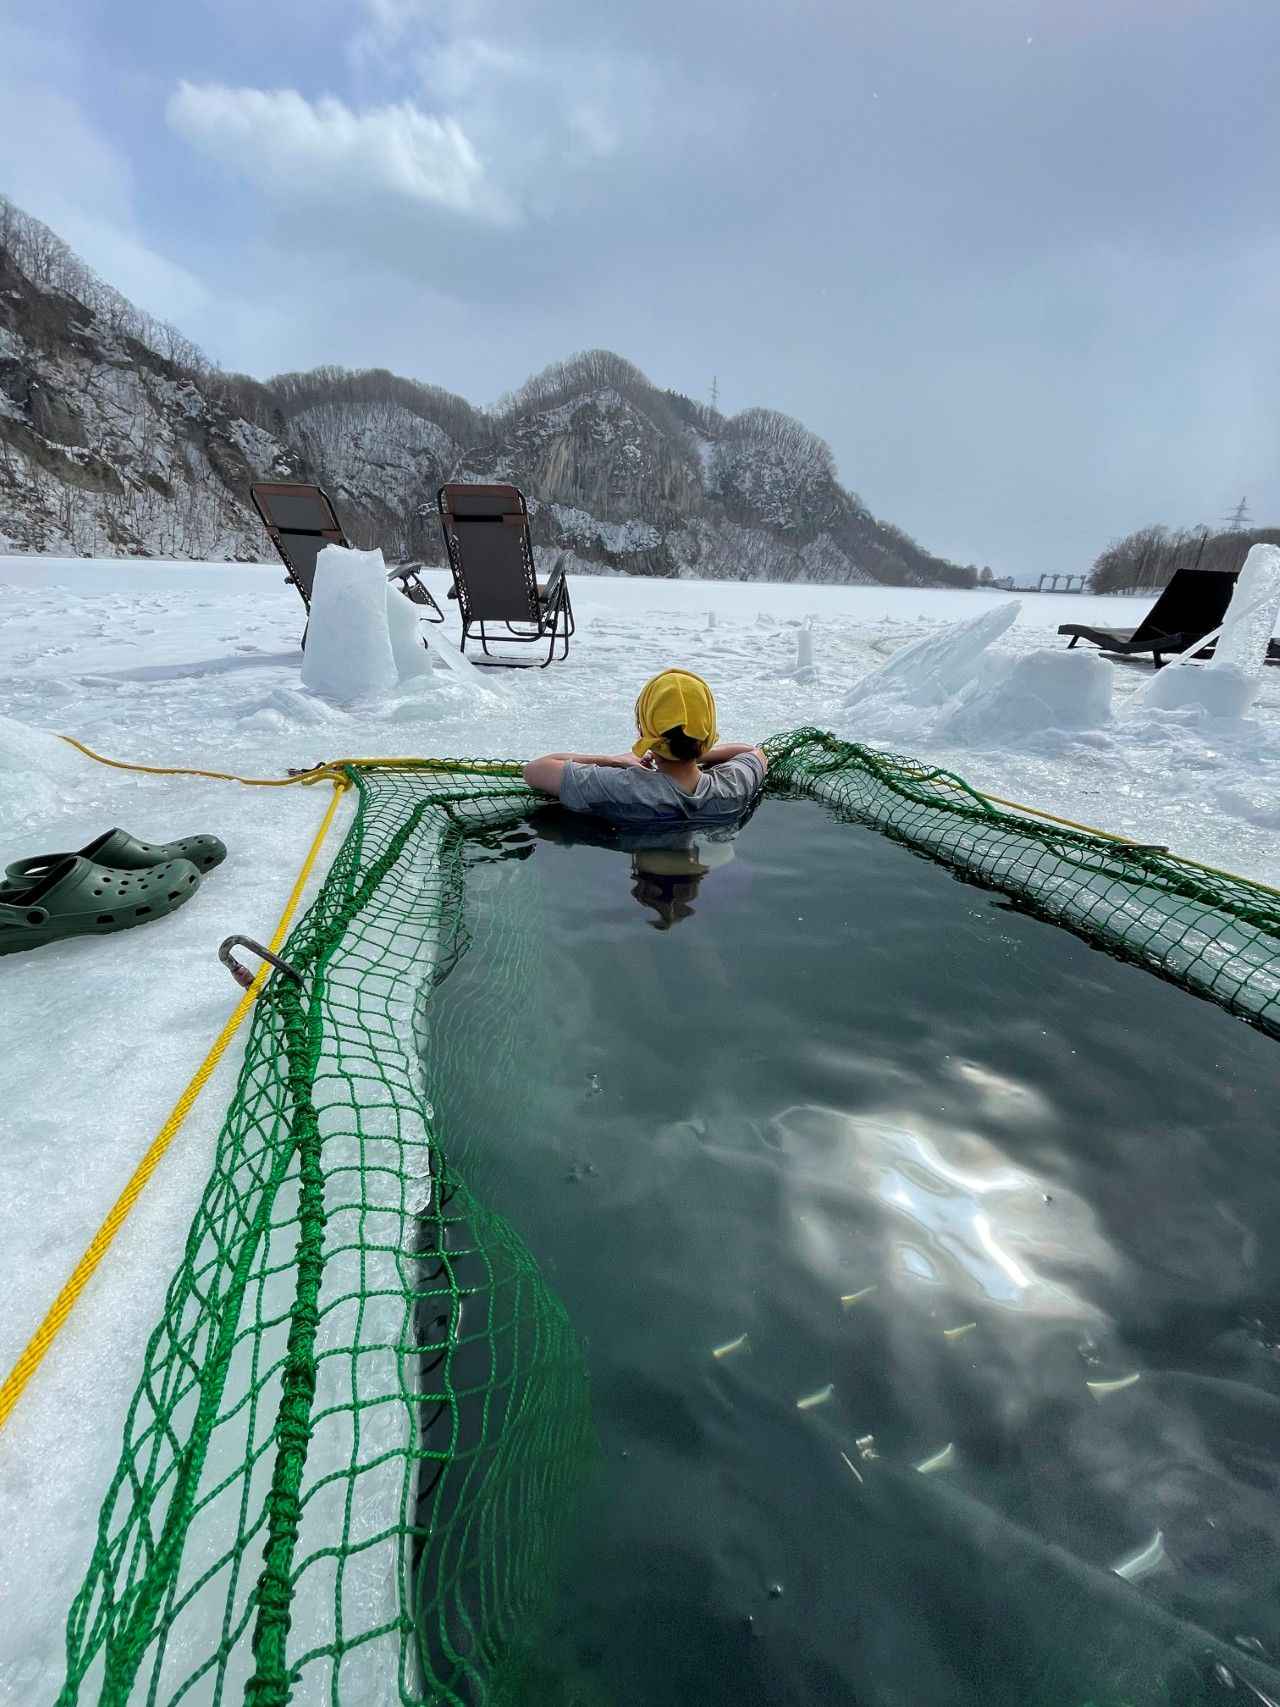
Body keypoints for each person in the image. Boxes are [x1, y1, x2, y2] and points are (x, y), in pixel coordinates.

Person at [522, 668, 766, 826]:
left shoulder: (621, 786)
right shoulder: (732, 785)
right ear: (708, 734)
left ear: (646, 730)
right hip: (705, 865)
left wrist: (614, 760)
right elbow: (752, 753)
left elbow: (535, 769)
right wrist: (696, 752)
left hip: (645, 869)